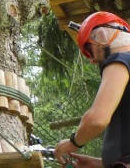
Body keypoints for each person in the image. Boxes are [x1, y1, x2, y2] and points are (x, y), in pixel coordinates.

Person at [54, 11, 130, 168]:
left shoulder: (121, 59)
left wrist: (71, 143)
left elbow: (97, 119)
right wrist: (101, 164)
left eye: (89, 49)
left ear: (101, 36)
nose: (92, 60)